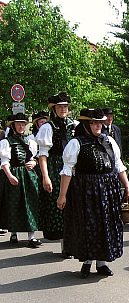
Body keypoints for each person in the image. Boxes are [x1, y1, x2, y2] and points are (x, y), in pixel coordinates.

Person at [56, 109, 129, 277]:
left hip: (109, 189)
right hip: (86, 190)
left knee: (106, 224)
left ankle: (102, 263)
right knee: (88, 225)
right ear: (85, 124)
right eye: (93, 122)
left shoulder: (109, 141)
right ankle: (87, 261)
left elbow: (118, 164)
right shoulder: (76, 143)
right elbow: (67, 170)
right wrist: (62, 195)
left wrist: (127, 185)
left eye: (99, 122)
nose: (98, 125)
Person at [36, 92, 77, 254]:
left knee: (74, 204)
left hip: (73, 167)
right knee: (60, 204)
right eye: (60, 107)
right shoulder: (48, 127)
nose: (63, 109)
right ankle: (64, 244)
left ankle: (71, 243)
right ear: (54, 109)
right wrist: (46, 176)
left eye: (65, 107)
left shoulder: (74, 125)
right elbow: (43, 155)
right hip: (55, 167)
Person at [0, 112, 41, 248]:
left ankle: (32, 236)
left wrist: (34, 162)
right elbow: (5, 162)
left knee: (31, 203)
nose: (21, 126)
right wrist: (10, 176)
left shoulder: (30, 140)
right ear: (13, 126)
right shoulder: (6, 142)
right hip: (14, 174)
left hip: (29, 176)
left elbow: (35, 157)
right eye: (19, 124)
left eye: (23, 124)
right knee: (14, 203)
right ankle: (13, 233)